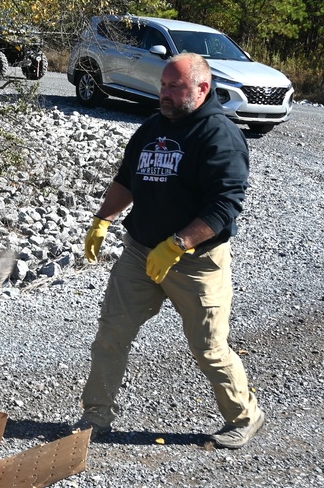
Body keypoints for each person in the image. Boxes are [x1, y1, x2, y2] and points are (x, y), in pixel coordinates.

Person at [76, 52, 264, 449]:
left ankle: (244, 416)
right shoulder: (151, 128)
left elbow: (223, 207)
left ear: (202, 88)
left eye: (174, 86)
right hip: (140, 252)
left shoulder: (220, 135)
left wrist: (178, 244)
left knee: (209, 347)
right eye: (163, 84)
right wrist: (102, 220)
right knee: (112, 333)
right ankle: (95, 417)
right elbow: (127, 180)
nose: (164, 92)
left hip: (197, 263)